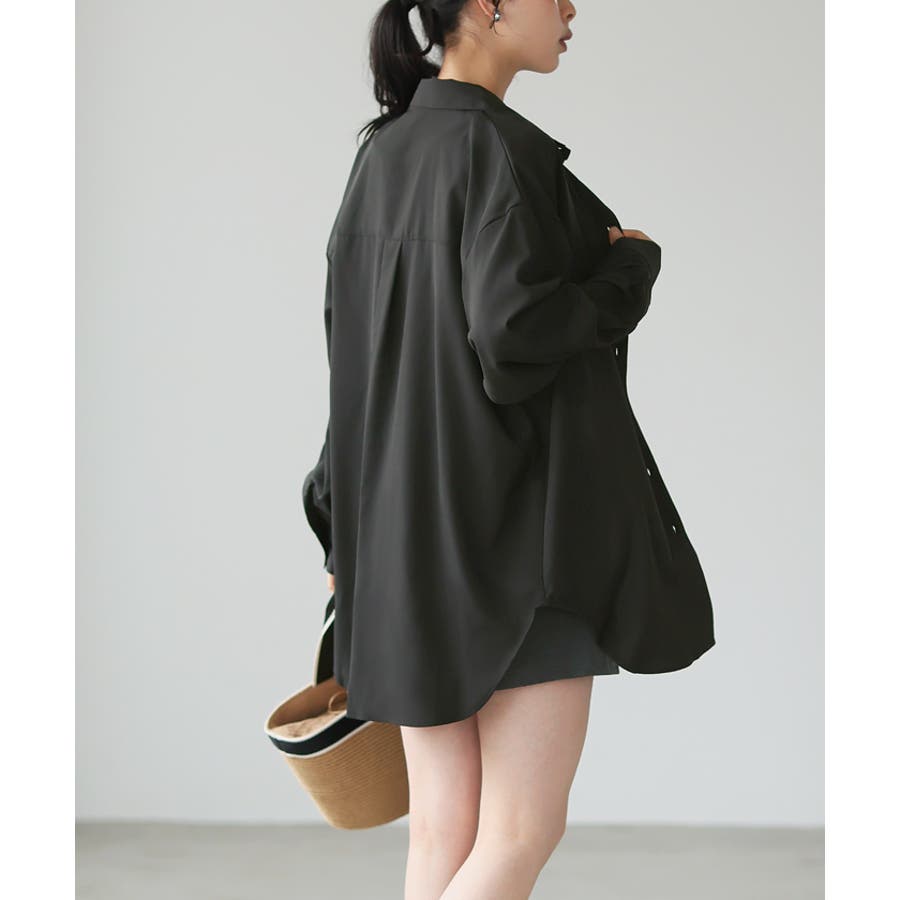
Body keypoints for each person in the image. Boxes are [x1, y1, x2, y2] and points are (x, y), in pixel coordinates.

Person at [301, 1, 716, 896]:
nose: (570, 9)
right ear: (487, 4)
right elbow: (516, 333)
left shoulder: (383, 154)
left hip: (400, 542)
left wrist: (340, 532)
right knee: (520, 829)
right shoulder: (497, 150)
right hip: (517, 540)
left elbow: (352, 358)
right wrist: (629, 271)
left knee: (441, 831)